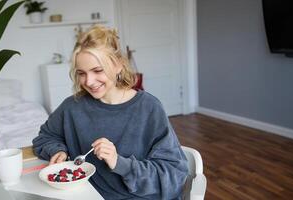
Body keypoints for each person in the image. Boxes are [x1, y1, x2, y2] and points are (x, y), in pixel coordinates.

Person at [32, 25, 189, 200]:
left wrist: (119, 163)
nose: (89, 81)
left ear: (118, 65)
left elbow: (173, 175)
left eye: (97, 70)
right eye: (81, 73)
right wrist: (57, 150)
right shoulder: (72, 107)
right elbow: (45, 137)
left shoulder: (149, 108)